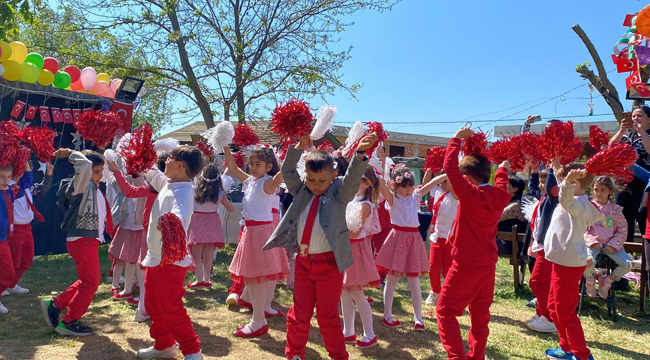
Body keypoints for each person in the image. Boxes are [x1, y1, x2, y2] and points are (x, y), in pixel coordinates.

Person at [264, 133, 376, 360]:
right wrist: (297, 147)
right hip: (304, 262)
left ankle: (338, 356)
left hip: (329, 265)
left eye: (322, 180)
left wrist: (360, 154)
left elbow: (353, 179)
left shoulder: (339, 193)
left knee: (327, 317)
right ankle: (294, 353)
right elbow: (286, 172)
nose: (316, 185)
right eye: (311, 180)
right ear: (305, 176)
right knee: (299, 314)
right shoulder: (301, 190)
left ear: (334, 175)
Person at [436, 127, 511, 360]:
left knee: (445, 311)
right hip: (488, 266)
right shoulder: (498, 195)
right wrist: (503, 169)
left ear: (467, 180)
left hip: (466, 264)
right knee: (480, 317)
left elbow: (450, 167)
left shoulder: (470, 194)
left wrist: (456, 140)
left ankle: (457, 357)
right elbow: (500, 183)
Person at [135, 145, 204, 360]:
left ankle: (193, 350)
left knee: (170, 306)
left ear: (181, 165)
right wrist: (135, 157)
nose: (165, 161)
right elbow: (151, 172)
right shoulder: (168, 183)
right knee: (154, 305)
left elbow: (180, 216)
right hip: (155, 257)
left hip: (170, 260)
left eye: (170, 158)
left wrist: (168, 222)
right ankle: (164, 345)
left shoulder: (184, 192)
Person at [41, 149, 114, 336]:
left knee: (88, 280)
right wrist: (71, 152)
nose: (99, 176)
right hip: (83, 240)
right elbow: (84, 165)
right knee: (91, 282)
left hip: (89, 240)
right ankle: (70, 320)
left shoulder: (93, 187)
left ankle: (56, 304)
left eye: (100, 171)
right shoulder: (81, 184)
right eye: (96, 172)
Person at [223, 145, 288, 337]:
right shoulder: (252, 181)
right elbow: (233, 169)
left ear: (268, 167)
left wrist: (297, 149)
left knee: (255, 278)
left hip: (260, 232)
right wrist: (225, 144)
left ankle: (258, 321)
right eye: (250, 163)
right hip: (252, 231)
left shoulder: (268, 183)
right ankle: (259, 317)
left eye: (257, 164)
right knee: (254, 279)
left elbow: (282, 175)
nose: (252, 167)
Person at [544, 165, 603, 360]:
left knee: (565, 312)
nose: (560, 186)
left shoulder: (577, 204)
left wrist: (567, 182)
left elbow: (565, 198)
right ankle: (567, 348)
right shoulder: (574, 203)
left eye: (564, 182)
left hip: (568, 265)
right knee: (554, 307)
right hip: (561, 261)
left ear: (574, 183)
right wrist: (557, 165)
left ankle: (582, 355)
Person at [375, 165, 441, 331]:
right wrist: (377, 167)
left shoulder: (415, 196)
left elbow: (431, 183)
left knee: (414, 281)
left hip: (413, 239)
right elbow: (381, 184)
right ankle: (387, 315)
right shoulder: (392, 199)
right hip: (398, 239)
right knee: (392, 280)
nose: (409, 190)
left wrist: (446, 174)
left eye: (411, 186)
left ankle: (418, 318)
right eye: (404, 186)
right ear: (396, 185)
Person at [106, 155, 162, 322]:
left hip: (157, 234)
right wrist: (117, 172)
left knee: (147, 268)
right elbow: (129, 191)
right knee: (139, 264)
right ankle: (141, 304)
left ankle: (148, 305)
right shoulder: (150, 189)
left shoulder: (169, 190)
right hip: (146, 231)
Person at [341, 166, 382, 348]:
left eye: (357, 180)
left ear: (366, 184)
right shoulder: (351, 202)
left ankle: (370, 334)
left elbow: (353, 231)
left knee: (357, 293)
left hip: (355, 250)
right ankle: (348, 331)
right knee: (344, 293)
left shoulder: (365, 206)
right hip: (346, 249)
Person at [5, 161, 52, 296]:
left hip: (27, 228)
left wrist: (48, 176)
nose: (28, 170)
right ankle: (5, 285)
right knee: (14, 260)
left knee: (27, 259)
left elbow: (41, 190)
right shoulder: (10, 187)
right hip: (15, 229)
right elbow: (27, 180)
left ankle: (12, 284)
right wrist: (23, 164)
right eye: (26, 168)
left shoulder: (25, 186)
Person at [584, 176, 632, 299]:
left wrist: (614, 244)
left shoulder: (615, 210)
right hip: (592, 244)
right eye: (596, 189)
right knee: (586, 261)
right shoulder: (588, 207)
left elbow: (622, 229)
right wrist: (591, 241)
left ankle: (607, 281)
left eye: (603, 190)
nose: (598, 193)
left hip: (610, 245)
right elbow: (581, 228)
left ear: (610, 191)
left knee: (628, 264)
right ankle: (590, 279)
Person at [187, 163, 234, 288]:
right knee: (208, 254)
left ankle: (199, 279)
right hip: (213, 221)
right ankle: (206, 279)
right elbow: (231, 208)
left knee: (196, 253)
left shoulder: (194, 190)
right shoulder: (219, 193)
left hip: (197, 220)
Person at [609, 105, 650, 244]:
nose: (635, 119)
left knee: (643, 219)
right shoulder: (627, 134)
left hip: (643, 184)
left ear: (648, 119)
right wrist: (622, 129)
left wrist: (642, 132)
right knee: (624, 221)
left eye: (639, 116)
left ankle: (645, 257)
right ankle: (626, 256)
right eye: (633, 116)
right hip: (623, 183)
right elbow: (611, 147)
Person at [107, 172, 148, 303]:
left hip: (139, 229)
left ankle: (143, 293)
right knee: (128, 260)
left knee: (138, 263)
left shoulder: (146, 187)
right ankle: (127, 290)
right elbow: (118, 186)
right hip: (127, 227)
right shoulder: (129, 186)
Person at [425, 172, 458, 306]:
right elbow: (426, 182)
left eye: (445, 182)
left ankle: (449, 294)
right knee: (432, 267)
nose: (441, 184)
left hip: (450, 239)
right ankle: (435, 291)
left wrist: (451, 174)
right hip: (437, 237)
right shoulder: (439, 192)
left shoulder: (456, 196)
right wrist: (430, 168)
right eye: (441, 181)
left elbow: (454, 189)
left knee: (447, 270)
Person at [496, 175, 527, 256]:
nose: (503, 185)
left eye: (506, 183)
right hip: (506, 243)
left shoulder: (516, 206)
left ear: (515, 189)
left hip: (509, 246)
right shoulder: (512, 202)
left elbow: (494, 217)